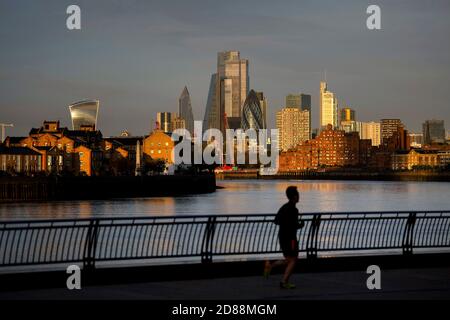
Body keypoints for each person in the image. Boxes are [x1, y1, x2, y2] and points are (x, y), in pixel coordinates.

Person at [263, 186, 304, 289]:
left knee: (288, 259)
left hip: (282, 236)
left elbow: (276, 221)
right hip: (291, 238)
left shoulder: (283, 207)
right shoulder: (294, 210)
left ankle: (270, 265)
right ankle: (284, 282)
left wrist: (286, 224)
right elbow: (293, 225)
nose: (299, 196)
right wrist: (300, 225)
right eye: (298, 194)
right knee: (293, 259)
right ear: (295, 196)